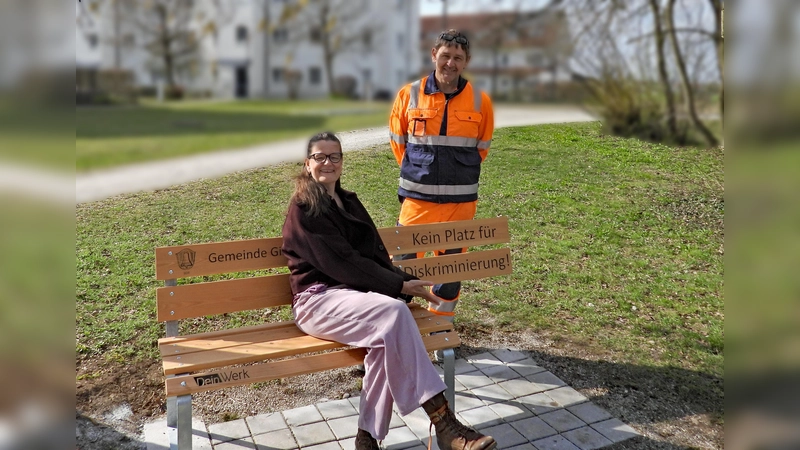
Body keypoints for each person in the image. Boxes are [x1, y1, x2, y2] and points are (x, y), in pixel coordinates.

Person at [281, 131, 496, 450]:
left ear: (342, 162)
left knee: (387, 341)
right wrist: (399, 287)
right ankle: (444, 422)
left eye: (334, 156)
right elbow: (343, 263)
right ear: (307, 163)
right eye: (320, 157)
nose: (328, 163)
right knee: (394, 315)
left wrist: (405, 283)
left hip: (357, 301)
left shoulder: (348, 201)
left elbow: (374, 256)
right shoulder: (304, 208)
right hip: (317, 302)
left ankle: (366, 439)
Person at [389, 29, 495, 322]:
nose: (450, 63)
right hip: (417, 201)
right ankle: (400, 329)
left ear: (466, 61)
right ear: (434, 55)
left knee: (450, 271)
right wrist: (421, 174)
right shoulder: (409, 94)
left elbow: (481, 147)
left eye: (458, 58)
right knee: (402, 264)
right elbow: (399, 143)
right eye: (445, 56)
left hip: (459, 205)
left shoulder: (480, 101)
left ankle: (438, 327)